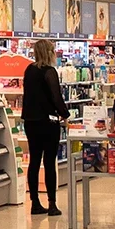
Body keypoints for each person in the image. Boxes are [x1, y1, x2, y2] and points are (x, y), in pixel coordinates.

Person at [22, 40, 69, 216]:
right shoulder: (50, 72)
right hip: (48, 122)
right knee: (49, 162)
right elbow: (56, 98)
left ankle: (34, 202)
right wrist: (65, 114)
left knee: (34, 161)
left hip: (30, 122)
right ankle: (52, 204)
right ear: (49, 53)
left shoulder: (29, 70)